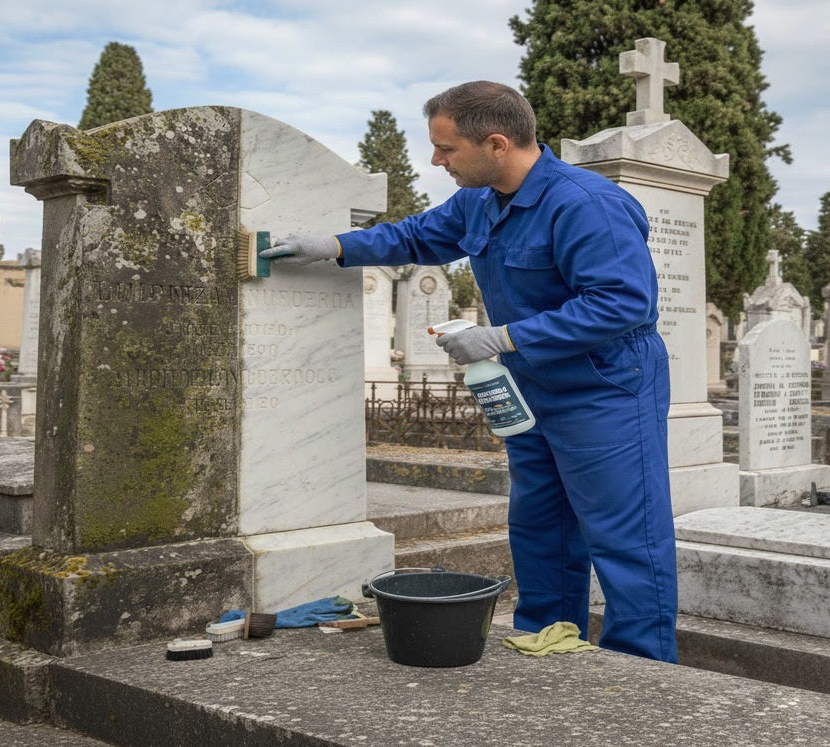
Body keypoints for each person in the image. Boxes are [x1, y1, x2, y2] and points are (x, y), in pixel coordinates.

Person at [259, 80, 677, 663]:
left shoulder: (586, 204)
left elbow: (622, 302)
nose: (437, 161)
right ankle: (550, 636)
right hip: (532, 385)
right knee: (540, 523)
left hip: (604, 386)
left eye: (446, 149)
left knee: (624, 533)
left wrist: (504, 337)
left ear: (497, 144)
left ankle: (643, 667)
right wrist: (333, 246)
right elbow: (416, 236)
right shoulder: (480, 201)